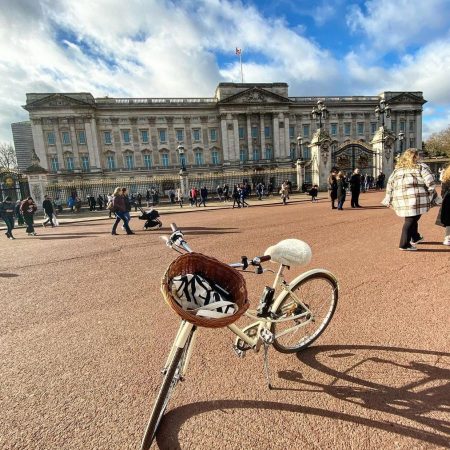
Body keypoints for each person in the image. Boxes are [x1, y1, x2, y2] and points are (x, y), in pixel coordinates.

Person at [382, 148, 436, 251]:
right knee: (411, 219)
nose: (420, 157)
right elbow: (430, 181)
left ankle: (415, 237)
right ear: (414, 156)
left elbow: (390, 184)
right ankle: (404, 244)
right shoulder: (420, 166)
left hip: (401, 197)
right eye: (418, 155)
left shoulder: (397, 169)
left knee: (413, 217)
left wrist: (388, 198)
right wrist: (430, 192)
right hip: (416, 197)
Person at [435, 165, 450, 246]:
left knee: (448, 221)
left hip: (448, 200)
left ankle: (447, 238)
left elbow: (443, 192)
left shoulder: (446, 180)